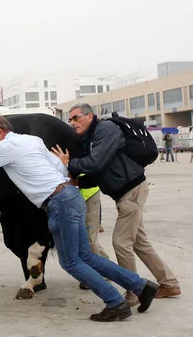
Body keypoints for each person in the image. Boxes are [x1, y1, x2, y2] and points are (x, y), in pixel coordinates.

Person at [0, 114, 159, 322]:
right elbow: (60, 168)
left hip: (58, 203)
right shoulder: (31, 140)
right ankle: (141, 286)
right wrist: (63, 162)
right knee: (86, 257)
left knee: (71, 262)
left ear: (0, 131)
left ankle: (115, 303)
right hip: (72, 196)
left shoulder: (4, 148)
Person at [55, 103, 181, 306]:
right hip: (125, 193)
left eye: (76, 118)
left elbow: (96, 163)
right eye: (70, 120)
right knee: (139, 243)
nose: (72, 123)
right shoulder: (91, 137)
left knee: (121, 243)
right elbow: (101, 172)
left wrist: (69, 164)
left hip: (131, 191)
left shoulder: (105, 130)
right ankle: (169, 283)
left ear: (90, 116)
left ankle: (134, 293)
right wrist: (78, 181)